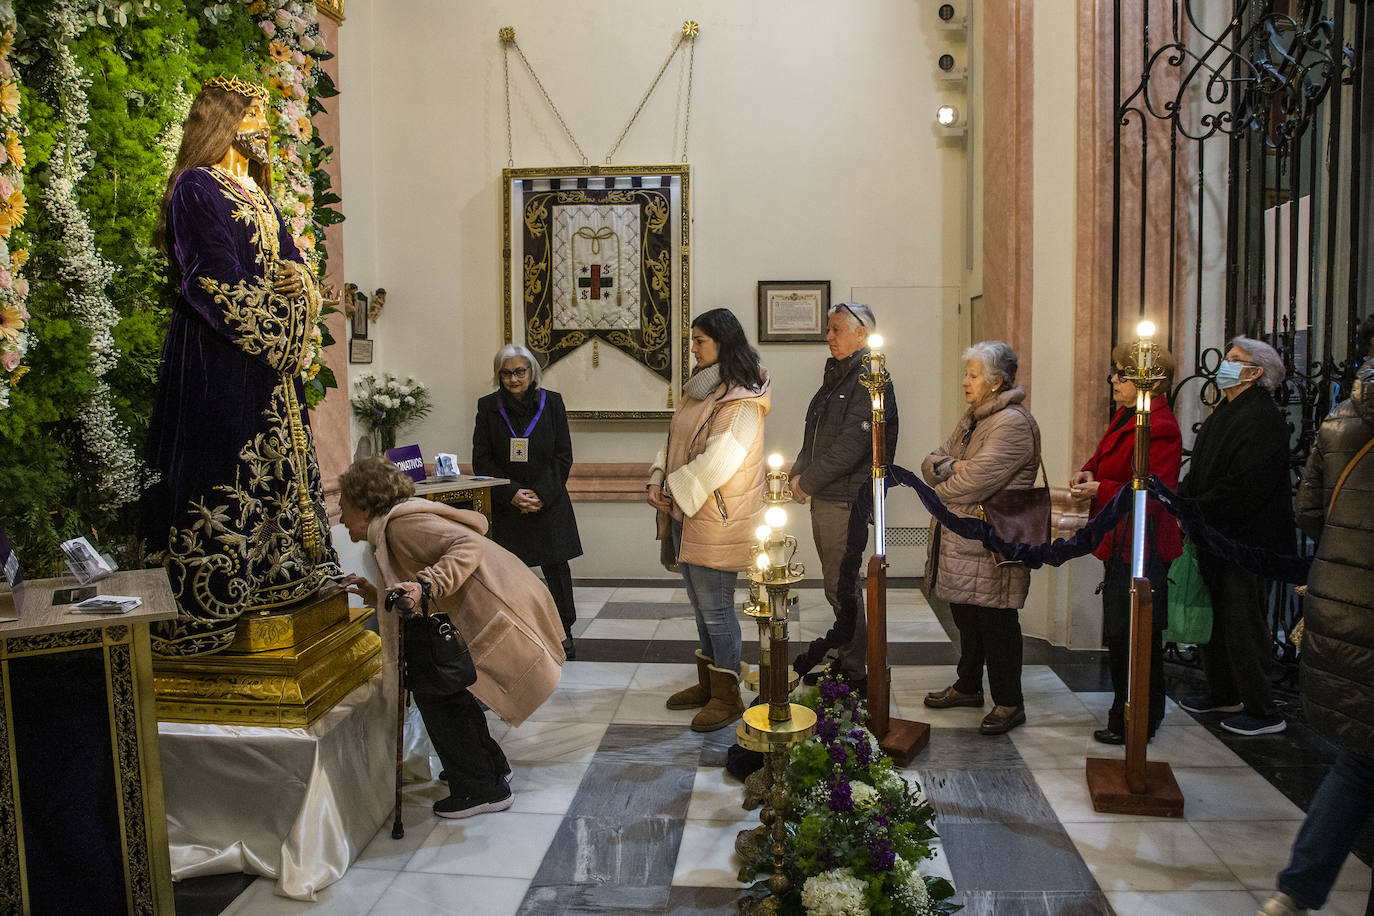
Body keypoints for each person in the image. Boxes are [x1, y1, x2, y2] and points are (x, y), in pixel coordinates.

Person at [142, 77, 339, 657]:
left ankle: (278, 582)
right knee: (225, 467)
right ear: (222, 120)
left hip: (269, 368)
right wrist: (277, 336)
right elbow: (209, 278)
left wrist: (300, 287)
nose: (263, 127)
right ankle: (214, 602)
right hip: (220, 357)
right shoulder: (195, 188)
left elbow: (298, 268)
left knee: (279, 472)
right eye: (253, 114)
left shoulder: (259, 193)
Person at [337, 456, 566, 818]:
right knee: (453, 693)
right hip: (478, 613)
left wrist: (429, 583)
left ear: (364, 505)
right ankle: (487, 770)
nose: (340, 517)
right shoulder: (393, 526)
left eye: (343, 506)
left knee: (440, 695)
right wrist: (374, 593)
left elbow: (465, 545)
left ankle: (481, 788)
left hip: (489, 609)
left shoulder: (401, 526)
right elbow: (409, 584)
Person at [1259, 361, 1374, 916]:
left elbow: (1309, 514)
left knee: (1357, 762)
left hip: (1341, 606)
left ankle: (1296, 890)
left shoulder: (1338, 423)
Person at [648, 308, 770, 732]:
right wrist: (658, 476)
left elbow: (719, 462)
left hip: (716, 515)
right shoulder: (701, 389)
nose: (694, 348)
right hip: (689, 508)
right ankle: (710, 684)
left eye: (700, 341)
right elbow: (674, 437)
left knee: (717, 611)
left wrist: (669, 490)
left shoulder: (743, 398)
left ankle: (728, 694)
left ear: (723, 343)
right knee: (701, 609)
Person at [921, 341, 1040, 736]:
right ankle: (968, 685)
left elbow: (971, 482)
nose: (964, 382)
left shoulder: (1012, 424)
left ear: (996, 382)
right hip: (963, 536)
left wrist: (945, 476)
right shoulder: (975, 417)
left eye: (973, 376)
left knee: (997, 620)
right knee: (966, 616)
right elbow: (932, 460)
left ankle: (1008, 702)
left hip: (992, 542)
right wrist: (951, 465)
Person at [1177, 335, 1294, 736]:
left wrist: (1198, 507)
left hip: (1246, 541)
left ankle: (1263, 710)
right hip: (1215, 534)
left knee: (1243, 623)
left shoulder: (1262, 417)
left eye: (1234, 359)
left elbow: (1247, 485)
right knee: (1218, 621)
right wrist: (1187, 499)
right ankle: (1223, 693)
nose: (1224, 364)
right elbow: (1201, 466)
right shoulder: (1226, 410)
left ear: (1255, 372)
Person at [1070, 344, 1182, 745]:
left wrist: (1102, 489)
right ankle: (1126, 711)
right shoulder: (1125, 417)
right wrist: (1088, 472)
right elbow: (1105, 460)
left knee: (1135, 634)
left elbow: (1154, 492)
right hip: (1119, 539)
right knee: (1119, 633)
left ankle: (1138, 717)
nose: (1112, 380)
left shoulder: (1160, 425)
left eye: (1119, 373)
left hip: (1143, 545)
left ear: (1145, 380)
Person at [789, 302, 898, 688]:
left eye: (836, 329)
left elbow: (853, 444)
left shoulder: (871, 378)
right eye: (829, 329)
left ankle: (854, 672)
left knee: (843, 587)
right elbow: (816, 435)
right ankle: (846, 658)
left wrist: (809, 480)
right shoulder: (838, 376)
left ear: (861, 334)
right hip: (829, 493)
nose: (828, 336)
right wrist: (797, 471)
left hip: (845, 498)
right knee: (836, 585)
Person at [472, 344, 583, 659]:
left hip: (549, 501)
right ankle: (518, 631)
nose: (513, 379)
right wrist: (512, 494)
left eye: (519, 372)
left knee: (557, 570)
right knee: (509, 573)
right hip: (509, 504)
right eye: (505, 373)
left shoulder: (552, 403)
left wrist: (541, 494)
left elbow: (563, 456)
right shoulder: (488, 407)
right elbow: (482, 461)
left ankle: (564, 632)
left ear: (532, 372)